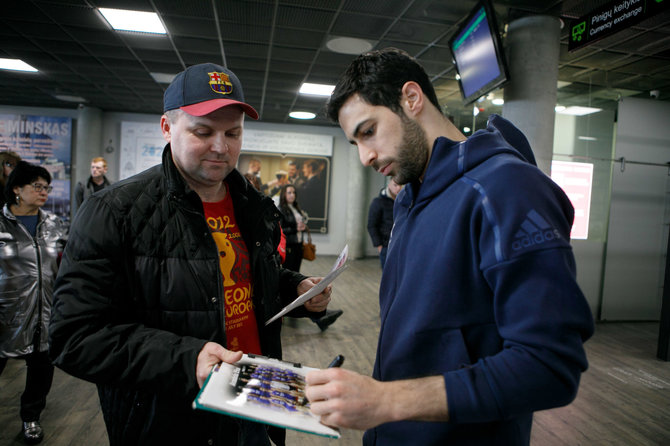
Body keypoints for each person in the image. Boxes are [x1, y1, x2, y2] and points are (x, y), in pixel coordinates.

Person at [304, 48, 594, 445]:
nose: (365, 156)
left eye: (368, 131)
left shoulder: (508, 189)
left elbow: (550, 365)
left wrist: (387, 401)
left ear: (411, 98)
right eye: (354, 142)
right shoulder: (410, 196)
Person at [48, 62, 333, 446]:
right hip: (171, 416)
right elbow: (75, 336)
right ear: (167, 128)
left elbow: (245, 279)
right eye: (203, 132)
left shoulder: (254, 205)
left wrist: (297, 289)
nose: (221, 146)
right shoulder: (113, 212)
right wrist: (187, 359)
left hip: (258, 393)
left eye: (233, 133)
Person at [0, 161, 67, 444]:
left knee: (40, 372)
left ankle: (31, 418)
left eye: (46, 187)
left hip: (45, 313)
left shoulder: (55, 225)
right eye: (37, 186)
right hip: (5, 315)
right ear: (17, 189)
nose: (44, 192)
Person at [277, 184, 343, 331]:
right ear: (283, 194)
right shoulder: (281, 210)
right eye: (289, 192)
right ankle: (317, 317)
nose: (292, 195)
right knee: (291, 283)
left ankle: (312, 314)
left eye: (294, 192)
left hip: (297, 247)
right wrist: (296, 228)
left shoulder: (295, 208)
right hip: (288, 248)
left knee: (297, 281)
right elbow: (280, 230)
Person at [367, 178, 402, 268]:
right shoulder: (378, 202)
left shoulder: (404, 201)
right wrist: (379, 246)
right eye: (395, 185)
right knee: (388, 279)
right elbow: (372, 225)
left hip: (402, 245)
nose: (398, 188)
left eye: (401, 185)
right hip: (386, 247)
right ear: (389, 184)